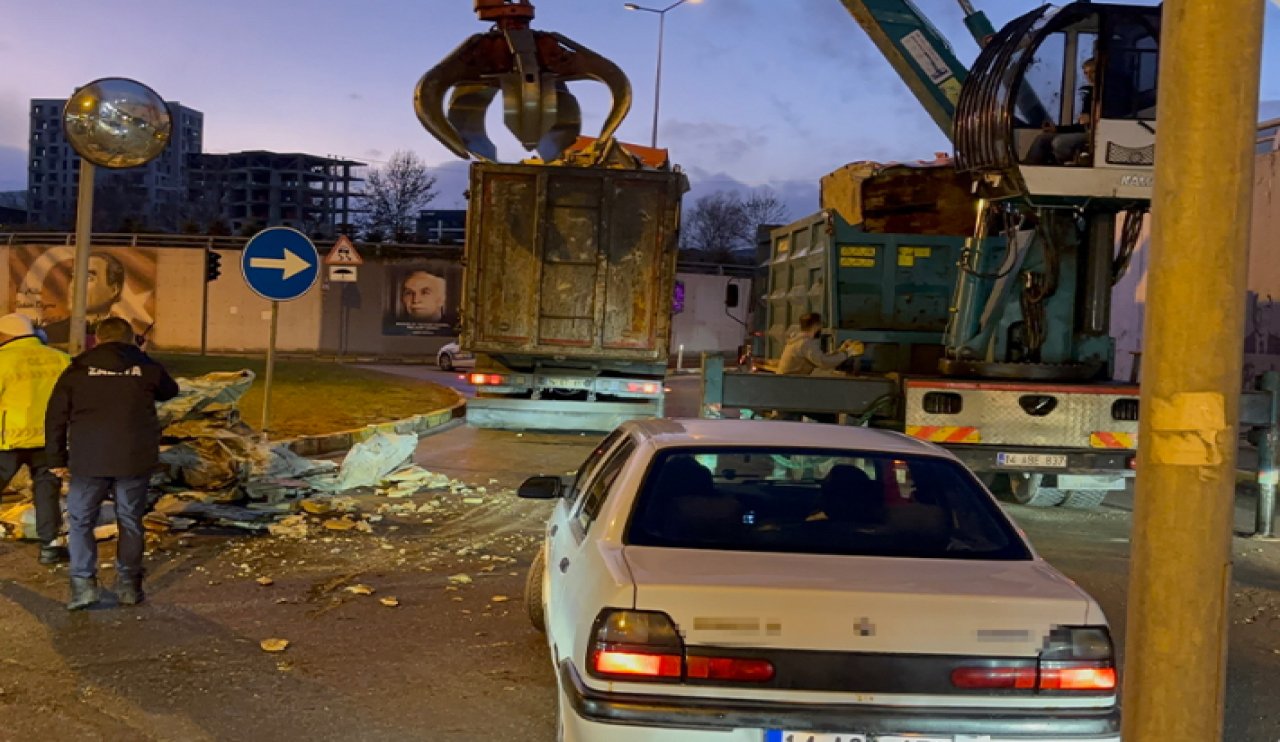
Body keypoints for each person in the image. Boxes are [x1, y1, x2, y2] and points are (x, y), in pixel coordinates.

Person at [45, 316, 180, 611]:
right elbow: (171, 391)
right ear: (131, 338)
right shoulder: (145, 367)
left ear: (98, 339)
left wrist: (55, 458)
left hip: (88, 460)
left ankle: (83, 586)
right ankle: (128, 587)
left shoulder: (77, 369)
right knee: (129, 520)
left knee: (81, 520)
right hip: (133, 459)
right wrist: (140, 356)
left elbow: (55, 416)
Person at [0, 313, 71, 564]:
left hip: (7, 441)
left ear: (6, 335)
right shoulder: (61, 359)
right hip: (50, 440)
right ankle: (50, 546)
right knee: (47, 491)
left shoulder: (3, 360)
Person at [41, 251, 130, 345]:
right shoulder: (49, 335)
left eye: (88, 278)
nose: (74, 286)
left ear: (113, 290)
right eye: (74, 277)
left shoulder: (125, 338)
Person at [1026, 57, 1097, 166]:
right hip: (1086, 132)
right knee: (1042, 139)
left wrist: (1092, 119)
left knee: (1060, 142)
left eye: (1092, 72)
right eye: (1086, 73)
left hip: (1098, 135)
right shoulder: (1089, 95)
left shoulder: (1112, 94)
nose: (1088, 76)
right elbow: (1081, 127)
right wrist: (1057, 129)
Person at [777, 312, 862, 376]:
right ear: (815, 326)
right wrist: (847, 353)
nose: (821, 327)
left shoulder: (800, 340)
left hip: (788, 381)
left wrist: (840, 351)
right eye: (820, 324)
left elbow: (819, 357)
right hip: (790, 384)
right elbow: (823, 362)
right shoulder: (805, 343)